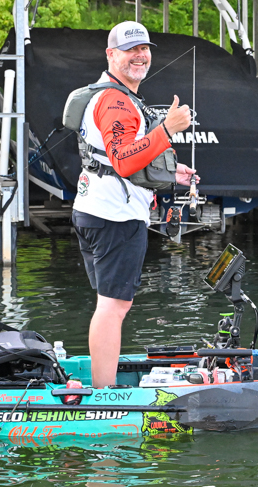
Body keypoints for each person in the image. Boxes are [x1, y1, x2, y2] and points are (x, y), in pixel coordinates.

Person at [70, 21, 196, 389]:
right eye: (130, 50)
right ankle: (104, 394)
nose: (139, 56)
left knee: (108, 303)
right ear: (111, 55)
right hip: (115, 218)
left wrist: (169, 173)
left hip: (94, 208)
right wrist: (167, 129)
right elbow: (124, 160)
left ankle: (101, 382)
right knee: (114, 307)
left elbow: (112, 158)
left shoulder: (111, 94)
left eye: (144, 49)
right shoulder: (116, 101)